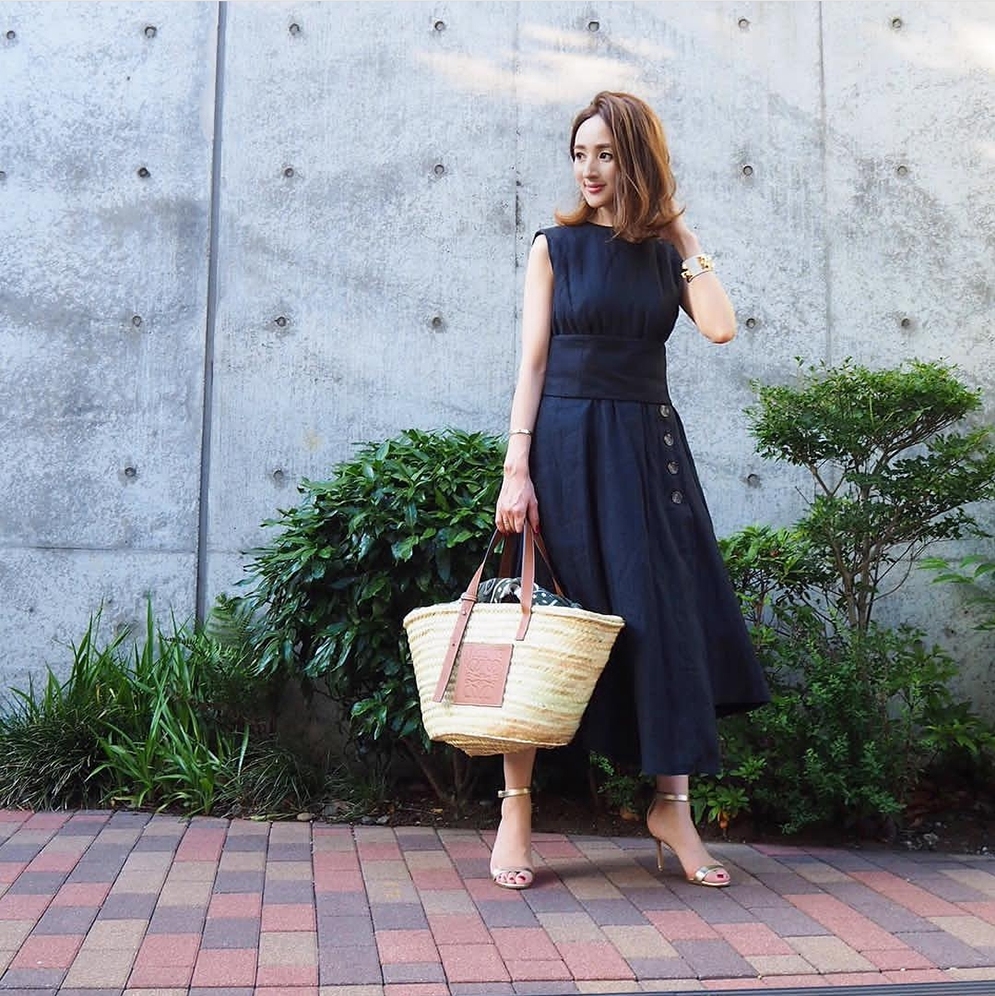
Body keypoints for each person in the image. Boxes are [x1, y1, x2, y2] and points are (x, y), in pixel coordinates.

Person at [491, 91, 770, 890]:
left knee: (661, 621)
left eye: (605, 155)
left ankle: (670, 808)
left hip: (646, 455)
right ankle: (515, 813)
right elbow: (532, 362)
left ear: (635, 160)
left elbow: (719, 326)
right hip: (564, 448)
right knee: (540, 624)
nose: (588, 170)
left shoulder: (662, 256)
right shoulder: (553, 246)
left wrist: (684, 236)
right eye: (579, 154)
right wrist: (516, 468)